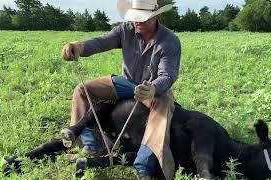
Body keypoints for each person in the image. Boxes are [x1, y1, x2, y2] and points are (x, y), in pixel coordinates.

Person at [61, 0, 181, 179]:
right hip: (126, 83)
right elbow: (101, 42)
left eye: (143, 18)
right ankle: (89, 145)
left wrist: (153, 88)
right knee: (82, 89)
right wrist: (80, 46)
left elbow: (168, 75)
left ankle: (144, 164)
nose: (137, 22)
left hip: (151, 88)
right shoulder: (125, 31)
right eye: (135, 17)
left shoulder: (169, 41)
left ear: (156, 15)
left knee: (163, 105)